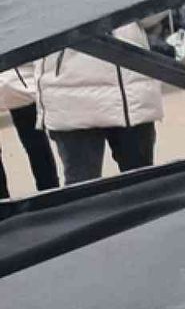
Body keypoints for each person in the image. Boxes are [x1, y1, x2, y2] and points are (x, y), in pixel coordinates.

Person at [34, 23, 163, 185]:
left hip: (128, 84)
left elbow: (151, 14)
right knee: (86, 188)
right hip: (72, 86)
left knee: (143, 184)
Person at [0, 67, 60, 199]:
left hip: (20, 85)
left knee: (36, 146)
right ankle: (51, 197)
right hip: (20, 84)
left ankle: (50, 195)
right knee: (37, 146)